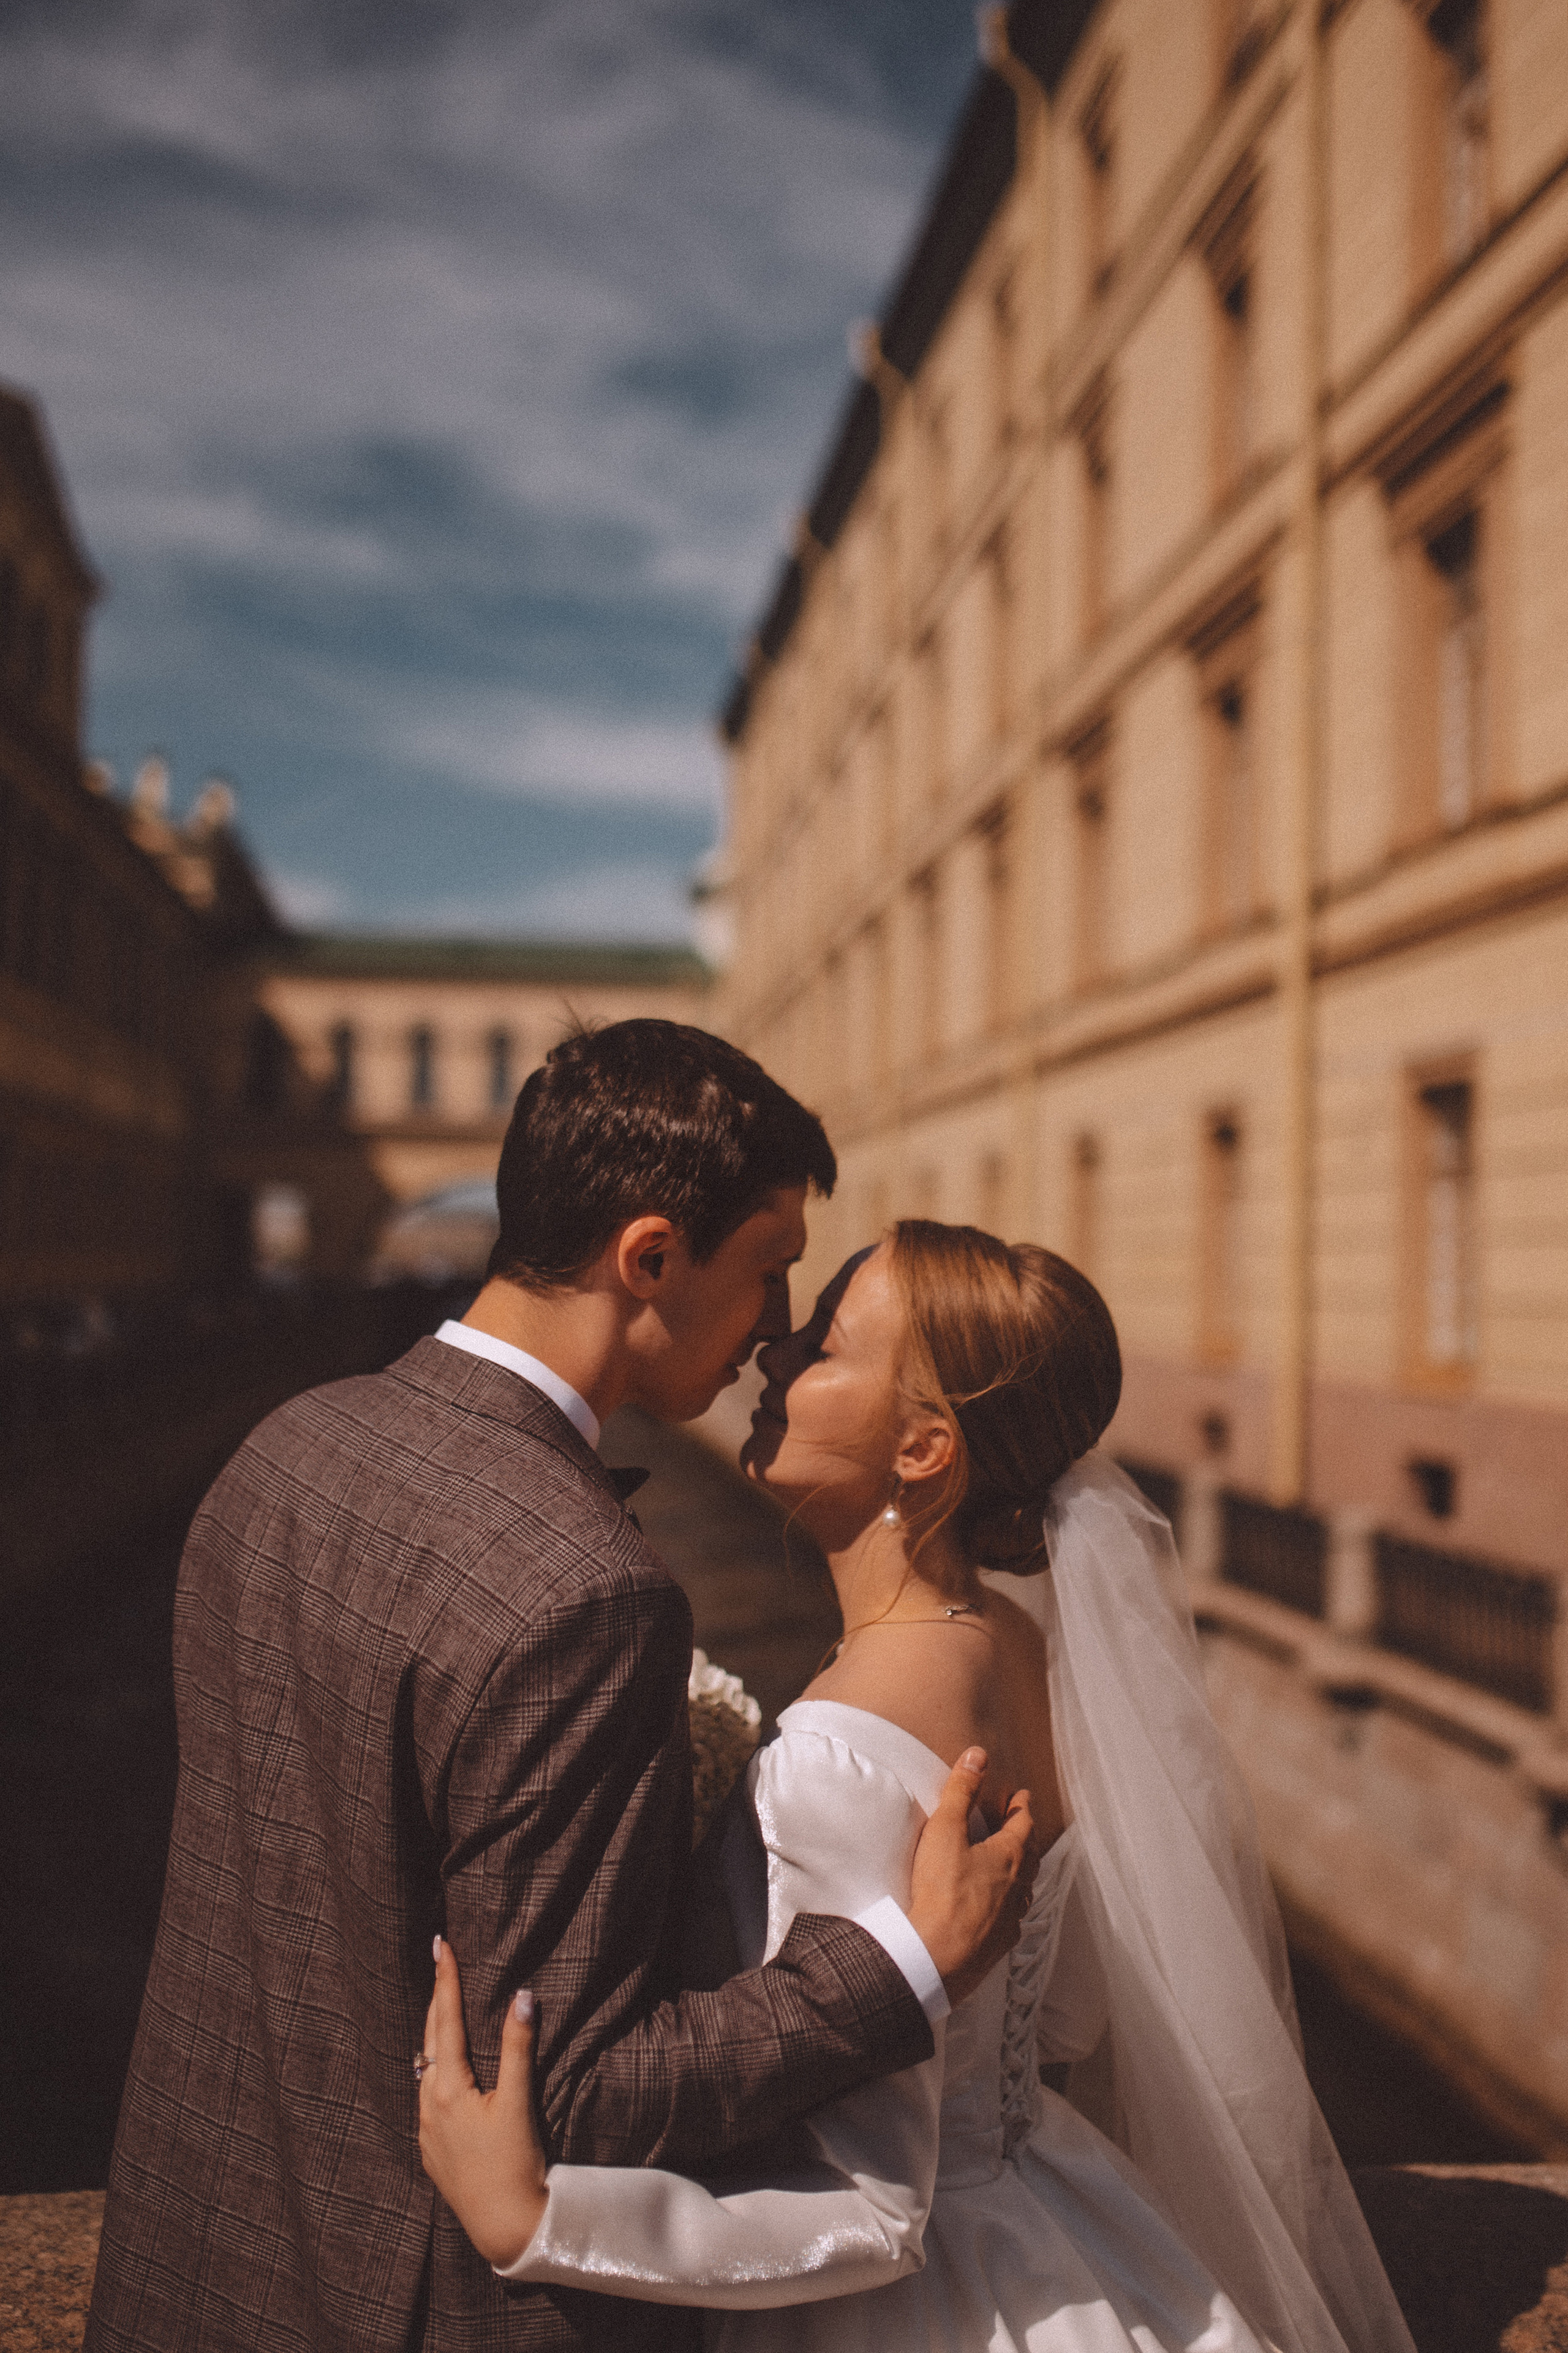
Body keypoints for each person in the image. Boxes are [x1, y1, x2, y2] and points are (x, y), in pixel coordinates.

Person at [86, 1029, 1036, 2353]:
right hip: (416, 2306)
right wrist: (900, 1965)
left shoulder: (280, 1451)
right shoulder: (586, 1592)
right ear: (647, 1258)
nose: (774, 1329)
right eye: (768, 1272)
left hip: (195, 2258)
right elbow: (577, 2094)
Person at [418, 1222, 1419, 2353]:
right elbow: (1074, 2015)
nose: (775, 1357)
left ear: (925, 1447)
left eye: (827, 1346)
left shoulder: (836, 1756)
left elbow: (874, 2210)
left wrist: (540, 2219)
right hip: (1060, 2217)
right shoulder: (1030, 1661)